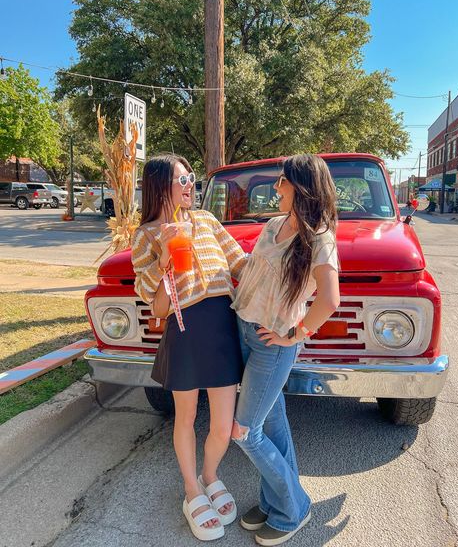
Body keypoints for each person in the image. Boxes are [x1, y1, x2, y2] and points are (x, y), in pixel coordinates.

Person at [131, 154, 247, 542]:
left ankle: (210, 475)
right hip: (183, 329)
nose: (189, 186)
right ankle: (192, 490)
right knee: (184, 418)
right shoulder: (145, 236)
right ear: (159, 186)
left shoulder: (208, 221)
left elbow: (240, 266)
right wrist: (164, 259)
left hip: (221, 326)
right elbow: (159, 307)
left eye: (191, 178)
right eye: (181, 180)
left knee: (223, 424)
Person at [231, 154, 340, 546]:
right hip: (244, 332)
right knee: (272, 426)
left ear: (302, 187)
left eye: (282, 182)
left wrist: (296, 335)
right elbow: (251, 270)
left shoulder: (319, 238)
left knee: (244, 431)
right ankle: (275, 501)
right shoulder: (273, 225)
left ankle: (293, 507)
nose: (276, 188)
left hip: (272, 346)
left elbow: (329, 299)